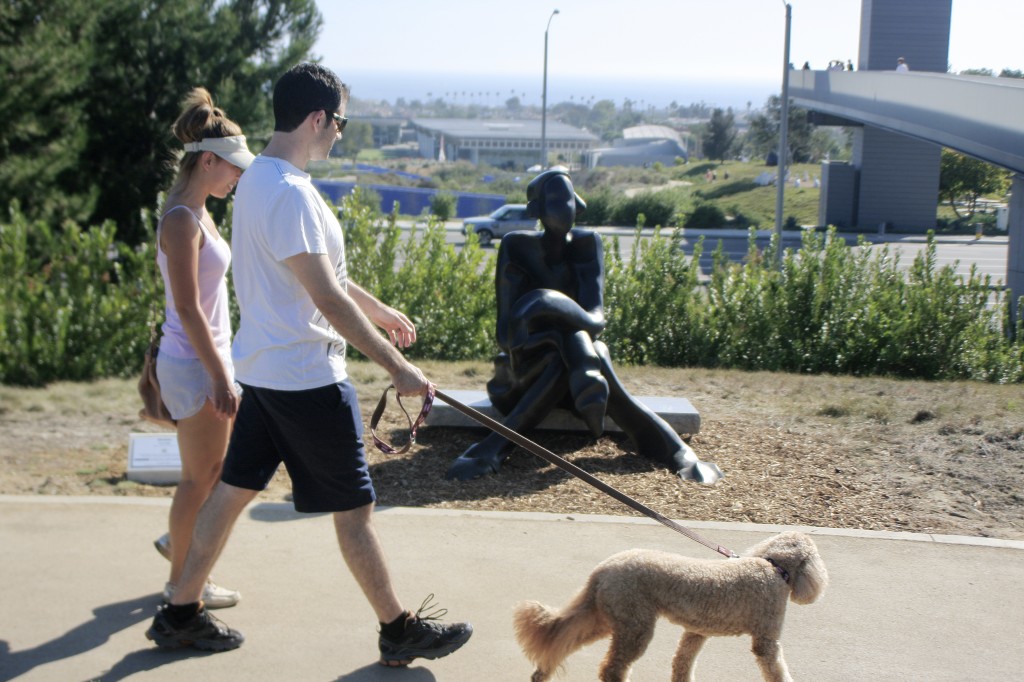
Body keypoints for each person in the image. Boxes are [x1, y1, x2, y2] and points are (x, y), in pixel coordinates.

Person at [145, 63, 472, 666]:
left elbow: (320, 278)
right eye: (340, 122)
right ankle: (397, 630)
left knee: (231, 491)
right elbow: (323, 295)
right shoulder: (292, 192)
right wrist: (398, 368)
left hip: (263, 374)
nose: (340, 134)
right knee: (356, 511)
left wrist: (377, 311)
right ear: (318, 118)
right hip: (309, 381)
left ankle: (179, 611)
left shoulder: (259, 181)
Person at [445, 168, 723, 484]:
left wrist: (543, 301)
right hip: (521, 378)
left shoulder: (587, 244)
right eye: (554, 199)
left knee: (587, 348)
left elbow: (596, 321)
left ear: (578, 204)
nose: (564, 207)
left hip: (579, 381)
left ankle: (492, 448)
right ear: (536, 209)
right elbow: (507, 337)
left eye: (568, 199)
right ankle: (675, 452)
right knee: (580, 353)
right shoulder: (516, 246)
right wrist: (559, 336)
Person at [153, 87, 254, 609]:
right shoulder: (180, 219)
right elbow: (189, 309)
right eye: (232, 167)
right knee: (200, 482)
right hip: (195, 366)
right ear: (207, 160)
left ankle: (181, 547)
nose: (237, 177)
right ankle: (182, 585)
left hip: (205, 360)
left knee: (209, 477)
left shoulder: (197, 212)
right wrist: (220, 376)